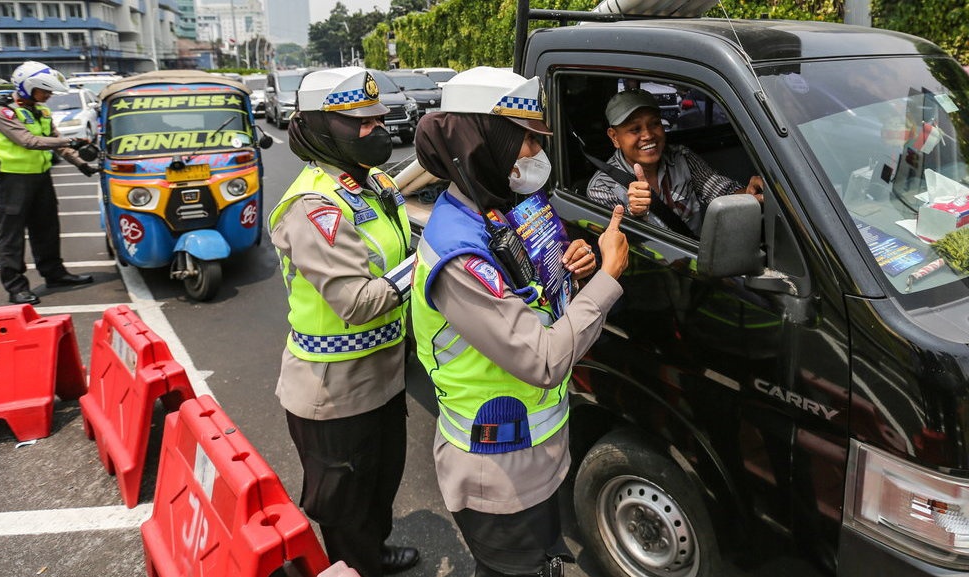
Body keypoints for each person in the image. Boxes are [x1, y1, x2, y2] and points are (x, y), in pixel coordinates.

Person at [411, 66, 630, 577]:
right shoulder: (459, 251)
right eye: (524, 139)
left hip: (540, 456)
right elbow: (543, 357)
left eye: (536, 138)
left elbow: (537, 293)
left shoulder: (504, 207)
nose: (535, 153)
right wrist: (611, 275)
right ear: (481, 142)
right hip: (498, 477)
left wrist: (575, 265)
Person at [268, 66, 419, 577]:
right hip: (333, 390)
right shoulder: (312, 205)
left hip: (383, 372)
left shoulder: (373, 181)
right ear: (319, 127)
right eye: (360, 122)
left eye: (377, 119)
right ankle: (356, 565)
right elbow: (356, 302)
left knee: (381, 482)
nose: (375, 130)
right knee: (346, 503)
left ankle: (373, 554)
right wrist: (427, 264)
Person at [0, 60, 97, 305]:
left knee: (47, 228)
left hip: (40, 177)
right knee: (11, 236)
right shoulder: (0, 112)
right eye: (44, 90)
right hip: (10, 180)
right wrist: (71, 142)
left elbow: (57, 140)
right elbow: (28, 141)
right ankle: (16, 287)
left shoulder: (41, 111)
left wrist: (83, 165)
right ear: (26, 87)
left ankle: (55, 274)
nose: (48, 95)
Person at [586, 88, 764, 237]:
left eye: (655, 124)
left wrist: (748, 193)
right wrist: (635, 212)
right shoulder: (601, 188)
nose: (648, 135)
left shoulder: (681, 157)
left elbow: (719, 190)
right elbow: (618, 245)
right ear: (614, 137)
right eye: (635, 129)